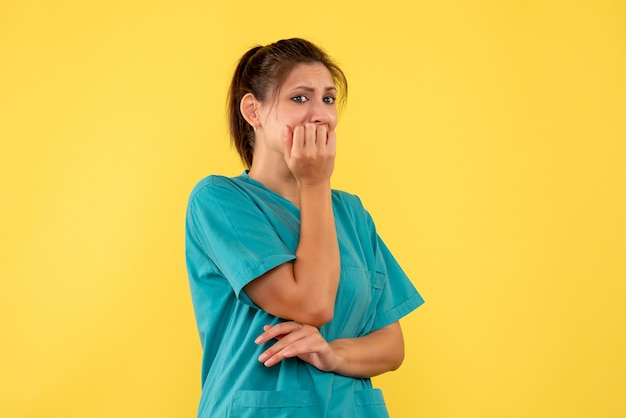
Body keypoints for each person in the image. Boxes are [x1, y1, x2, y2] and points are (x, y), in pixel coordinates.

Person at [185, 38, 424, 418]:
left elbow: (391, 345)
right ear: (253, 111)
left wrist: (333, 354)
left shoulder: (351, 213)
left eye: (328, 99)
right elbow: (311, 304)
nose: (320, 114)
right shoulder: (219, 200)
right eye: (300, 98)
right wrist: (314, 183)